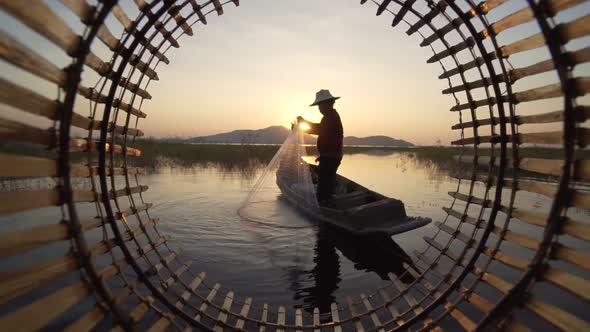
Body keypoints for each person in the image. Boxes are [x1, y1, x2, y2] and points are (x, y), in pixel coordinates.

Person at [298, 89, 343, 205]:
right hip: (330, 156)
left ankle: (324, 206)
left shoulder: (331, 116)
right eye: (318, 106)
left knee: (323, 186)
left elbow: (318, 130)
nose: (319, 109)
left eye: (320, 106)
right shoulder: (330, 116)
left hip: (331, 157)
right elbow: (320, 128)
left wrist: (302, 125)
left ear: (328, 104)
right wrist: (322, 157)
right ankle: (327, 201)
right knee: (327, 182)